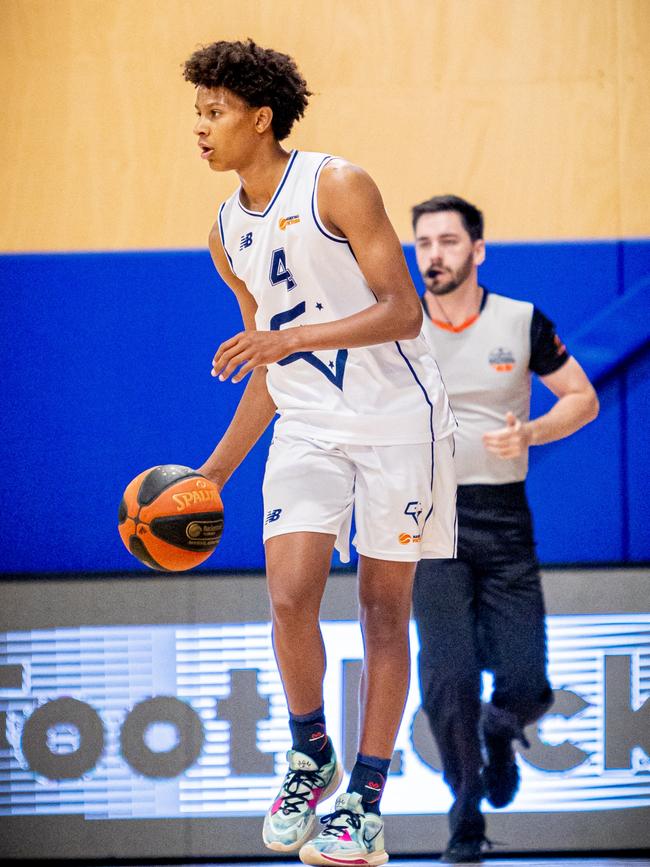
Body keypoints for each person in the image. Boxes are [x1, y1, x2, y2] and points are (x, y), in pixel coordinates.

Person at [183, 41, 457, 867]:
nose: (199, 129)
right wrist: (210, 475)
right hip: (308, 425)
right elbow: (268, 368)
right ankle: (313, 752)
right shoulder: (225, 235)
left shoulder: (337, 183)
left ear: (259, 118)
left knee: (382, 608)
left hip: (397, 422)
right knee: (290, 591)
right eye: (196, 113)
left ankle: (365, 801)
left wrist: (291, 337)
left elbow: (404, 312)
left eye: (214, 112)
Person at [410, 194, 600, 863]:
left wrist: (534, 430)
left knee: (524, 679)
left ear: (477, 250)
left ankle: (502, 726)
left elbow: (583, 396)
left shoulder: (521, 322)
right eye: (423, 242)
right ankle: (466, 817)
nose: (433, 254)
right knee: (448, 676)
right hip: (430, 523)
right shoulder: (398, 328)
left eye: (447, 241)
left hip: (504, 519)